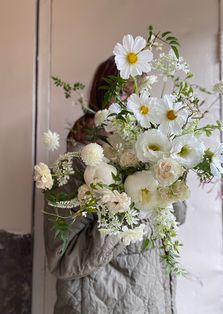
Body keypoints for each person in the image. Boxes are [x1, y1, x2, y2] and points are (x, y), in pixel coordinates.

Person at [44, 56, 186, 314]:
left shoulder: (151, 152)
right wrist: (126, 208)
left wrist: (169, 170)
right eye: (121, 92)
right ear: (101, 98)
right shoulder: (74, 165)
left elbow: (178, 218)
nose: (132, 102)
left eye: (140, 93)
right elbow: (62, 261)